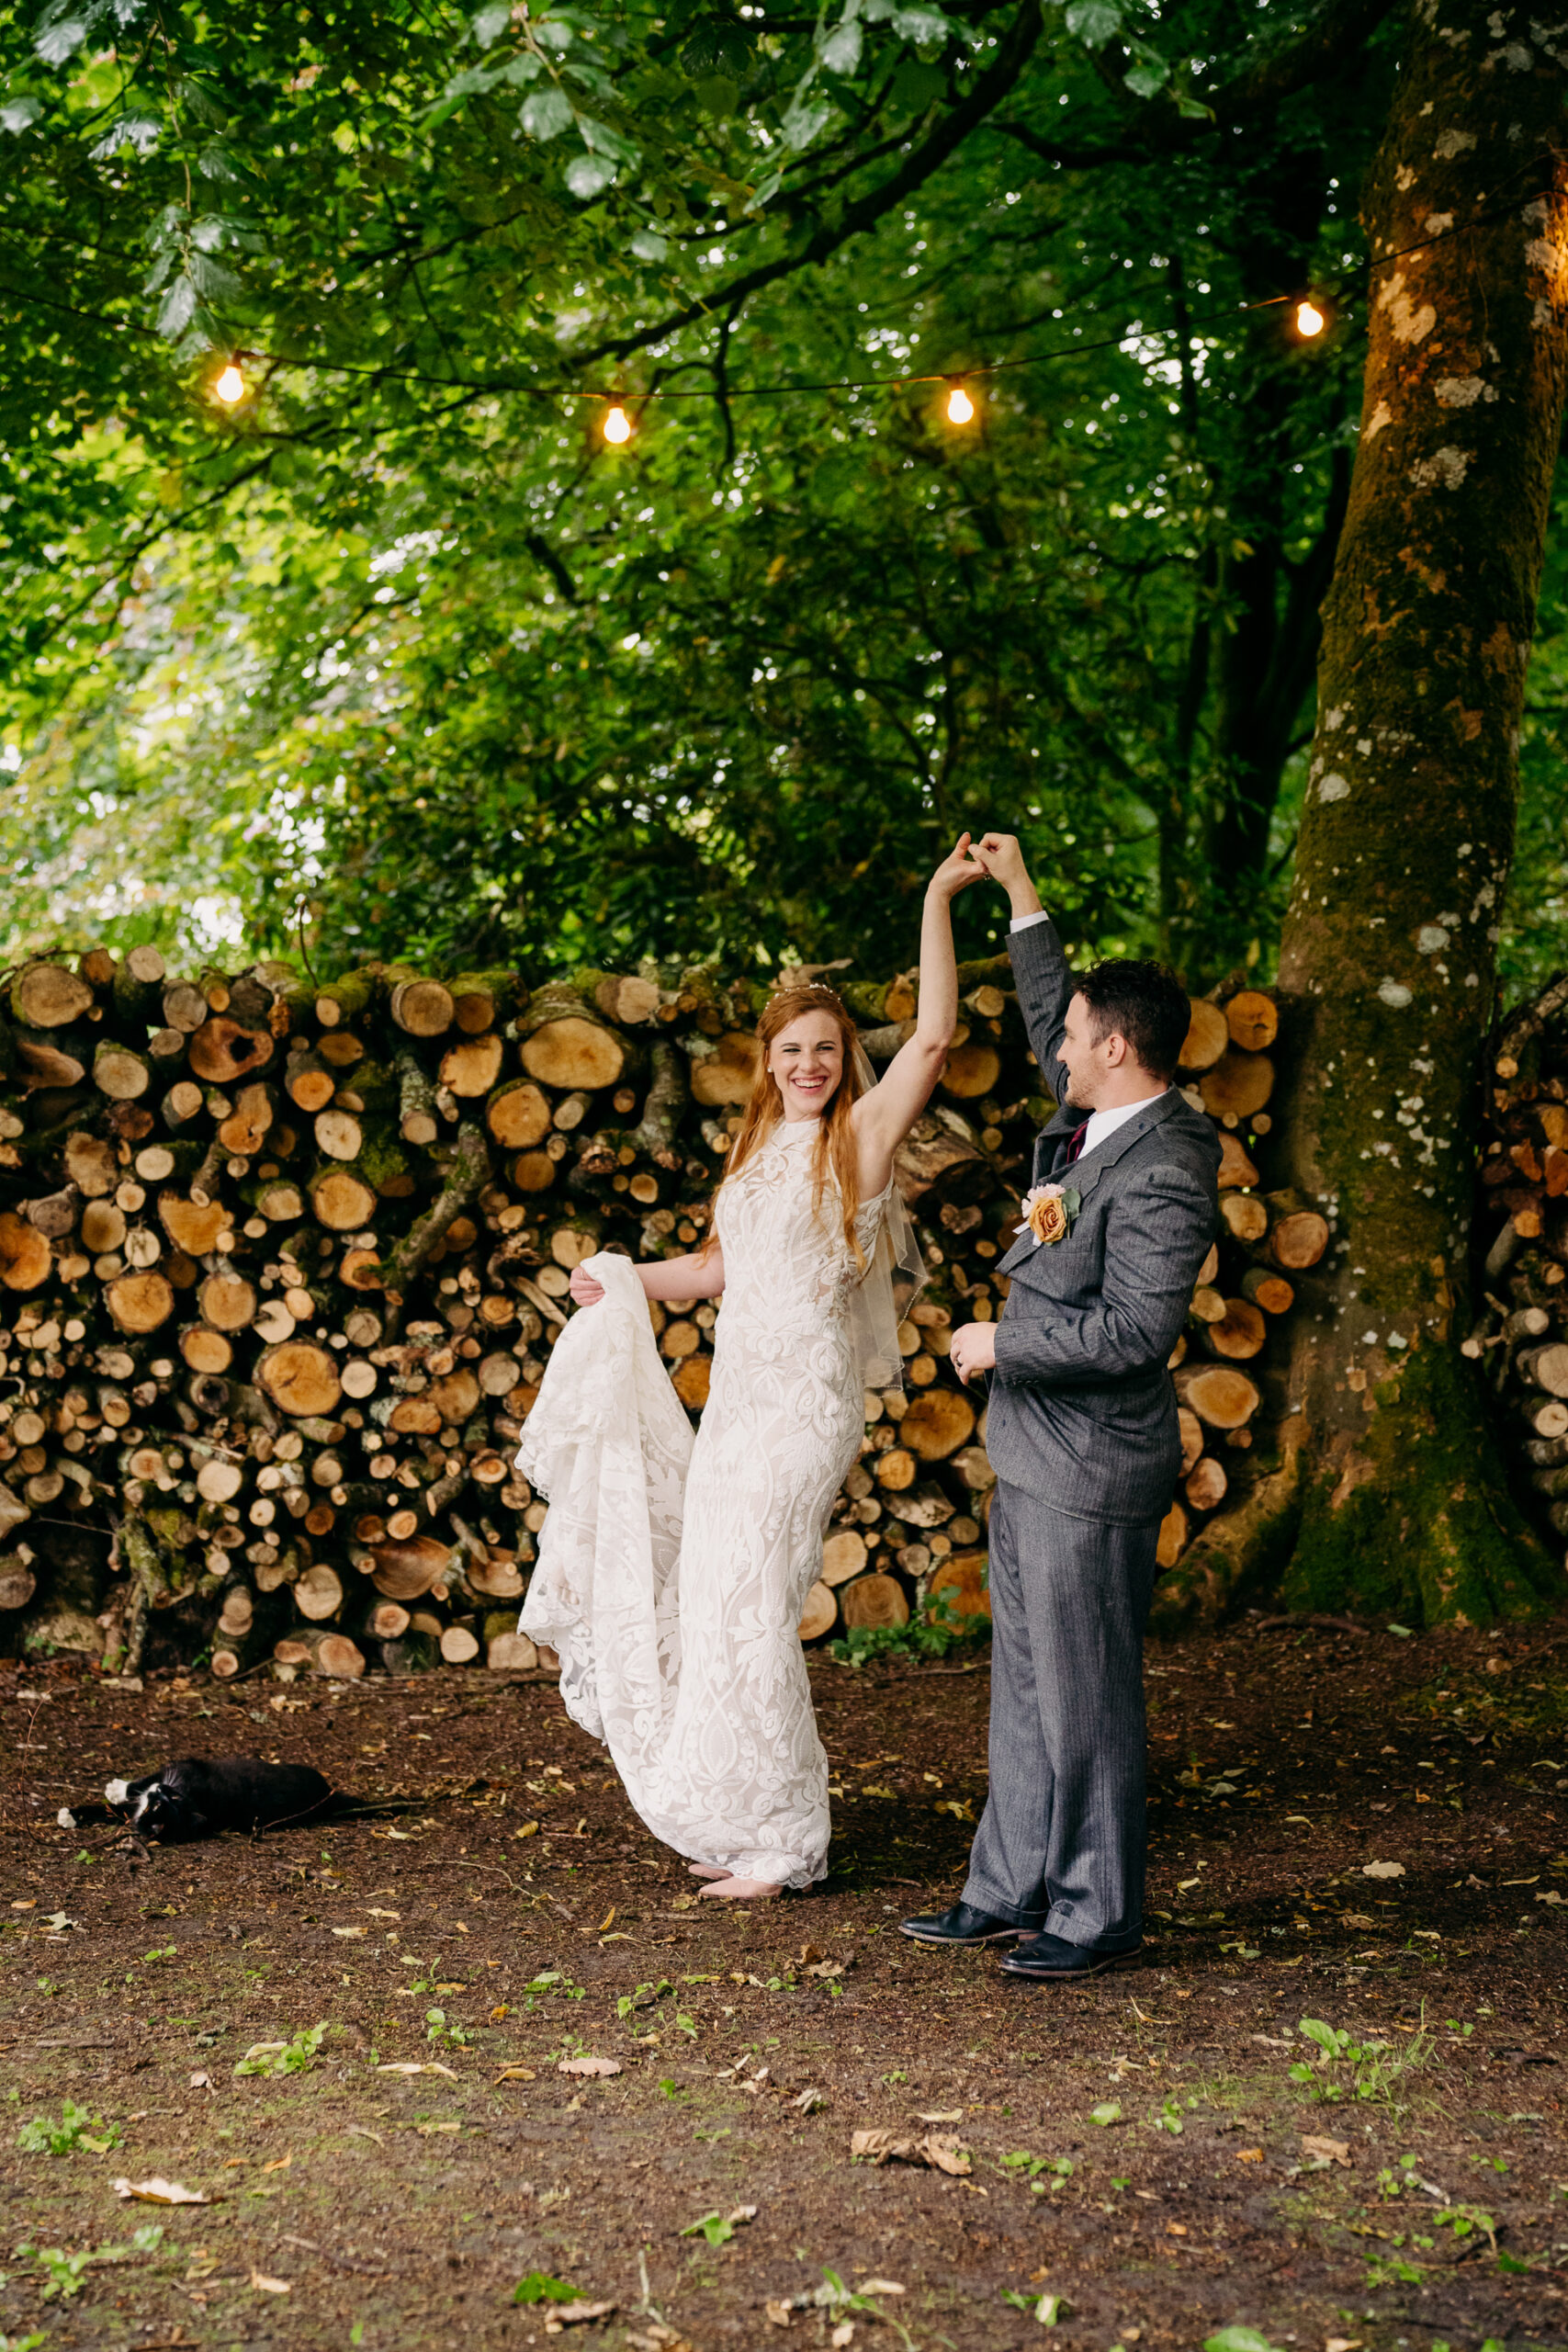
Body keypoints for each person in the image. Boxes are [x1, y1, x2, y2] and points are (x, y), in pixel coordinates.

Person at [515, 837, 985, 1900]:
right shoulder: (762, 1154)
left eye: (825, 1048)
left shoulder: (854, 1141)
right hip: (734, 1409)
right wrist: (625, 1277)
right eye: (792, 1051)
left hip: (802, 1408)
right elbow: (718, 1265)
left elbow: (935, 1037)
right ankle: (738, 1810)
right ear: (768, 1063)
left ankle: (787, 1838)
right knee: (716, 1604)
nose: (810, 1065)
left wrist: (936, 895)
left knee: (755, 1605)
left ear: (841, 1059)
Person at [901, 831, 1220, 1981]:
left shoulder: (1167, 1166)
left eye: (1080, 1036)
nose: (1059, 1048)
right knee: (1026, 1683)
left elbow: (1137, 1333)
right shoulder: (1103, 1115)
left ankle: (1096, 1909)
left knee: (1086, 1697)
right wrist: (1018, 888)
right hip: (1036, 1454)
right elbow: (1051, 1009)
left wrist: (1002, 1340)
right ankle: (1008, 1884)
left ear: (1119, 1048)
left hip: (1091, 1464)